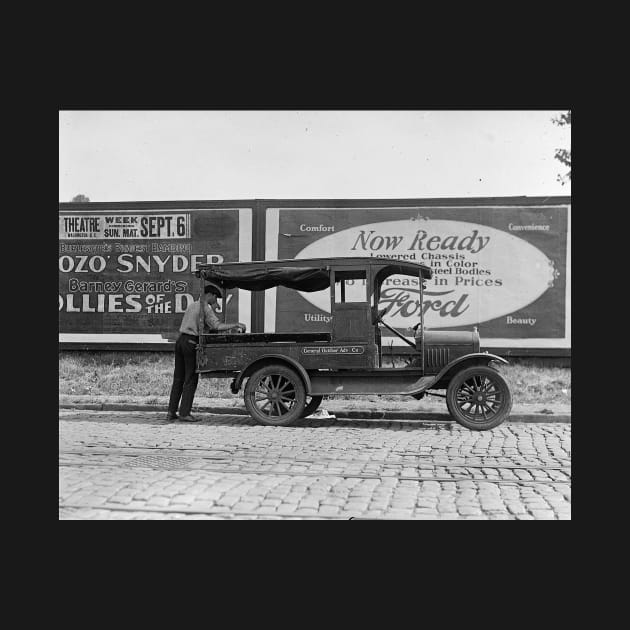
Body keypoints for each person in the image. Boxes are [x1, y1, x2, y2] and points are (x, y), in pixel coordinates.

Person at [166, 284, 246, 422]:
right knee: (191, 378)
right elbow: (217, 326)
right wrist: (236, 325)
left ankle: (171, 412)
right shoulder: (205, 308)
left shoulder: (193, 305)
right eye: (215, 298)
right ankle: (184, 413)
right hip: (191, 343)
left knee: (178, 378)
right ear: (211, 295)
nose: (215, 301)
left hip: (181, 341)